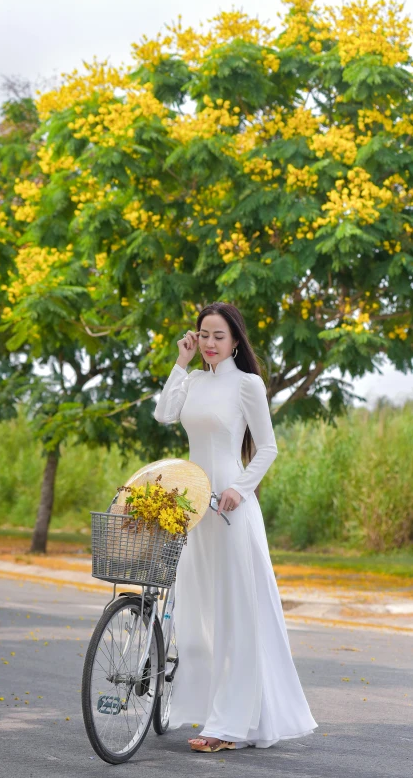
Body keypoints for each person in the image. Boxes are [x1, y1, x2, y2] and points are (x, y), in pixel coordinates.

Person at [153, 301, 318, 754]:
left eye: (218, 336)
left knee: (234, 615)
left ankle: (229, 724)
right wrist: (180, 362)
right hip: (193, 509)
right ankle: (214, 710)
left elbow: (267, 447)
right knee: (200, 615)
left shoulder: (247, 384)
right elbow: (164, 414)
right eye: (203, 334)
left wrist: (240, 489)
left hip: (229, 509)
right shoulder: (193, 380)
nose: (208, 343)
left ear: (235, 341)